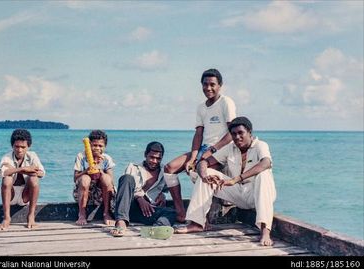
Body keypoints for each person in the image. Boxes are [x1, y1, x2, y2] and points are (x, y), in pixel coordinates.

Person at [174, 117, 277, 246]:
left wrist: (236, 179)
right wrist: (204, 174)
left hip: (257, 194)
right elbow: (204, 162)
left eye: (241, 133)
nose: (237, 137)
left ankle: (265, 231)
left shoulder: (261, 145)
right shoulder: (230, 148)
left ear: (250, 132)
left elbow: (266, 163)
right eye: (234, 134)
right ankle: (197, 223)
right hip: (239, 194)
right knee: (208, 174)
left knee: (264, 174)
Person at [164, 68, 236, 222]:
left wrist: (213, 149)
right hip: (204, 149)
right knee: (169, 168)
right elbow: (198, 134)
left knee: (203, 175)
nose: (208, 88)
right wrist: (193, 157)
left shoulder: (226, 102)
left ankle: (201, 219)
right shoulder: (201, 107)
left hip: (221, 150)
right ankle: (180, 212)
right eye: (205, 84)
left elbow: (232, 133)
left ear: (220, 85)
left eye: (212, 84)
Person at [110, 142, 176, 237]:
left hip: (147, 211)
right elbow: (127, 187)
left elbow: (167, 188)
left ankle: (156, 230)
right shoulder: (133, 167)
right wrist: (139, 198)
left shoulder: (164, 171)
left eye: (158, 158)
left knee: (171, 212)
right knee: (126, 178)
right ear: (145, 155)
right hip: (128, 208)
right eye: (151, 157)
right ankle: (121, 223)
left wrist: (162, 195)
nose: (154, 161)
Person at [0, 129, 45, 230]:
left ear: (28, 147)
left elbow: (41, 173)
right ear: (12, 146)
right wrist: (23, 169)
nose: (20, 150)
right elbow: (1, 173)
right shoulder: (7, 157)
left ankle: (31, 216)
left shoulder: (33, 156)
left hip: (25, 196)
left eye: (23, 147)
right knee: (7, 179)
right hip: (10, 195)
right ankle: (7, 218)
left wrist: (14, 170)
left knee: (34, 180)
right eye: (16, 146)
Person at [73, 130, 115, 226]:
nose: (97, 148)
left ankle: (106, 213)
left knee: (106, 179)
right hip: (84, 192)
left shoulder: (106, 158)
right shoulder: (81, 156)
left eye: (100, 146)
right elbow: (75, 178)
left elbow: (110, 180)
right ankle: (82, 213)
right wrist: (86, 171)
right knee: (85, 179)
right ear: (89, 144)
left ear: (105, 147)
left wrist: (99, 169)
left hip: (100, 194)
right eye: (94, 145)